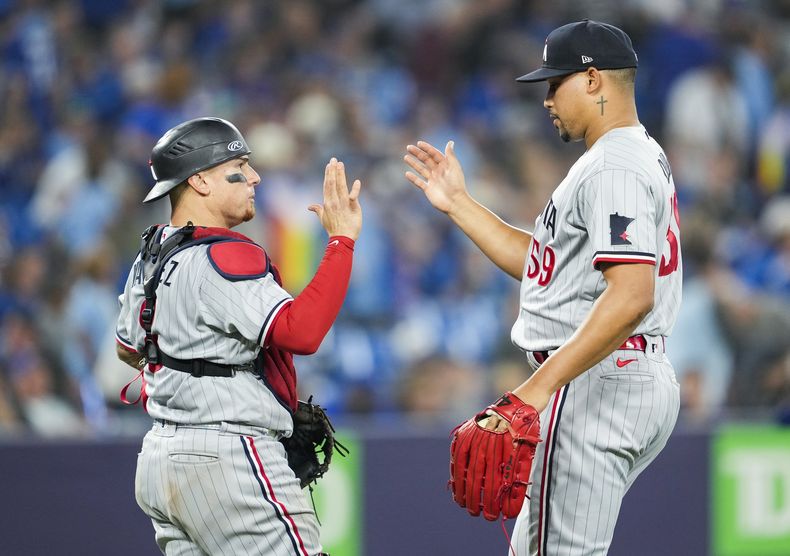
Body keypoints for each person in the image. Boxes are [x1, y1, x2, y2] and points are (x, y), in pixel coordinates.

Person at [405, 20, 681, 556]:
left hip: (599, 377)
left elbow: (631, 295)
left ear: (594, 80)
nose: (547, 99)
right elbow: (543, 264)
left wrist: (532, 393)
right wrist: (459, 204)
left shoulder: (614, 165)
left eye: (556, 84)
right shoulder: (631, 153)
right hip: (616, 373)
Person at [115, 117, 362, 555]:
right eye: (240, 165)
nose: (254, 177)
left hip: (158, 459)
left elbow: (129, 347)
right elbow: (301, 333)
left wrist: (199, 374)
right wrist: (341, 241)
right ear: (200, 181)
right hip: (227, 458)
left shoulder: (151, 256)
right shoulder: (227, 254)